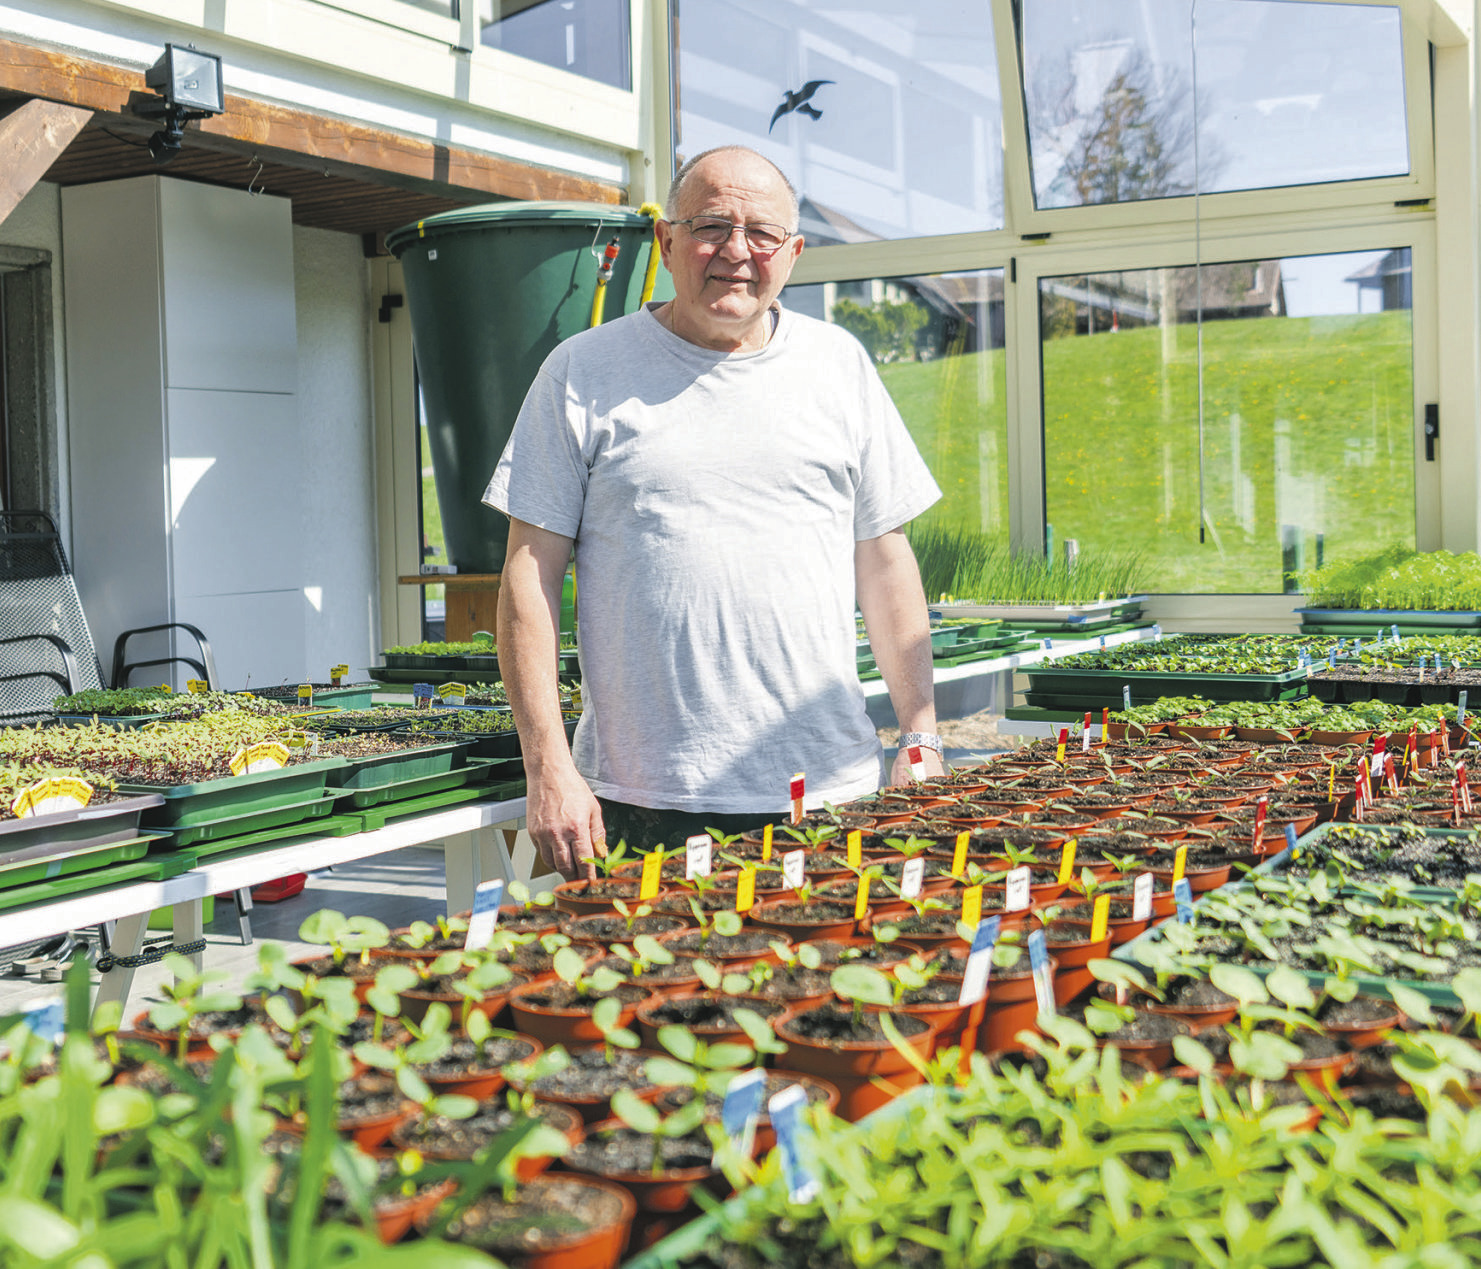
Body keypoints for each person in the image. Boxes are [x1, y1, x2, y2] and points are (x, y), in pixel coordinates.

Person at [485, 144, 946, 878]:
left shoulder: (839, 366)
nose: (736, 251)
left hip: (826, 789)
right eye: (710, 225)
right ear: (666, 241)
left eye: (761, 232)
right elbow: (526, 577)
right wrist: (548, 768)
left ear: (791, 253)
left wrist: (918, 732)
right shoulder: (582, 370)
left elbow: (884, 559)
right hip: (639, 797)